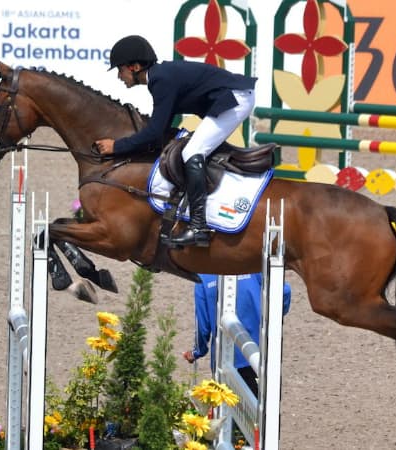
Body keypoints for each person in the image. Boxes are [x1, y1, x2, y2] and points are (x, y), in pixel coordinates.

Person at [94, 35, 257, 248]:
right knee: (191, 147)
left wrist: (117, 146)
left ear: (134, 67)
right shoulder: (160, 77)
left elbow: (154, 132)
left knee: (192, 152)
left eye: (120, 69)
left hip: (236, 99)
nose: (119, 76)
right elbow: (160, 129)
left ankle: (199, 227)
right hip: (232, 97)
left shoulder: (161, 80)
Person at [182, 273, 292, 397]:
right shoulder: (252, 266)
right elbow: (284, 291)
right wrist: (273, 318)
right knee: (265, 408)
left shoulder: (203, 276)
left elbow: (202, 326)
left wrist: (197, 351)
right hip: (263, 353)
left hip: (225, 360)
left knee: (227, 409)